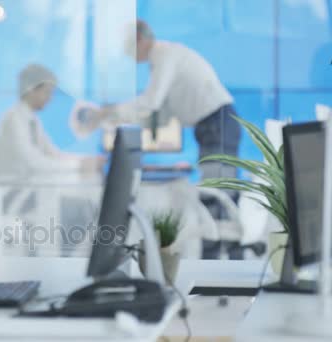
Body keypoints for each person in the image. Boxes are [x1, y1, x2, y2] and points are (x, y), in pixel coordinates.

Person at [100, 20, 241, 258]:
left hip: (217, 124)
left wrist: (109, 112)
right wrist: (116, 118)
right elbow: (160, 112)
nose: (128, 55)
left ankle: (220, 271)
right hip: (213, 125)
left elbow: (151, 102)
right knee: (218, 199)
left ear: (139, 39)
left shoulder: (165, 55)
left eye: (127, 48)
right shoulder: (161, 61)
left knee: (217, 199)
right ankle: (219, 267)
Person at [0, 64, 104, 179]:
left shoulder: (32, 119)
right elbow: (33, 164)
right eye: (47, 92)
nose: (50, 98)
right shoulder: (14, 119)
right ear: (30, 90)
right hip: (11, 188)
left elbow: (53, 154)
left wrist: (87, 160)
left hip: (26, 185)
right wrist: (79, 166)